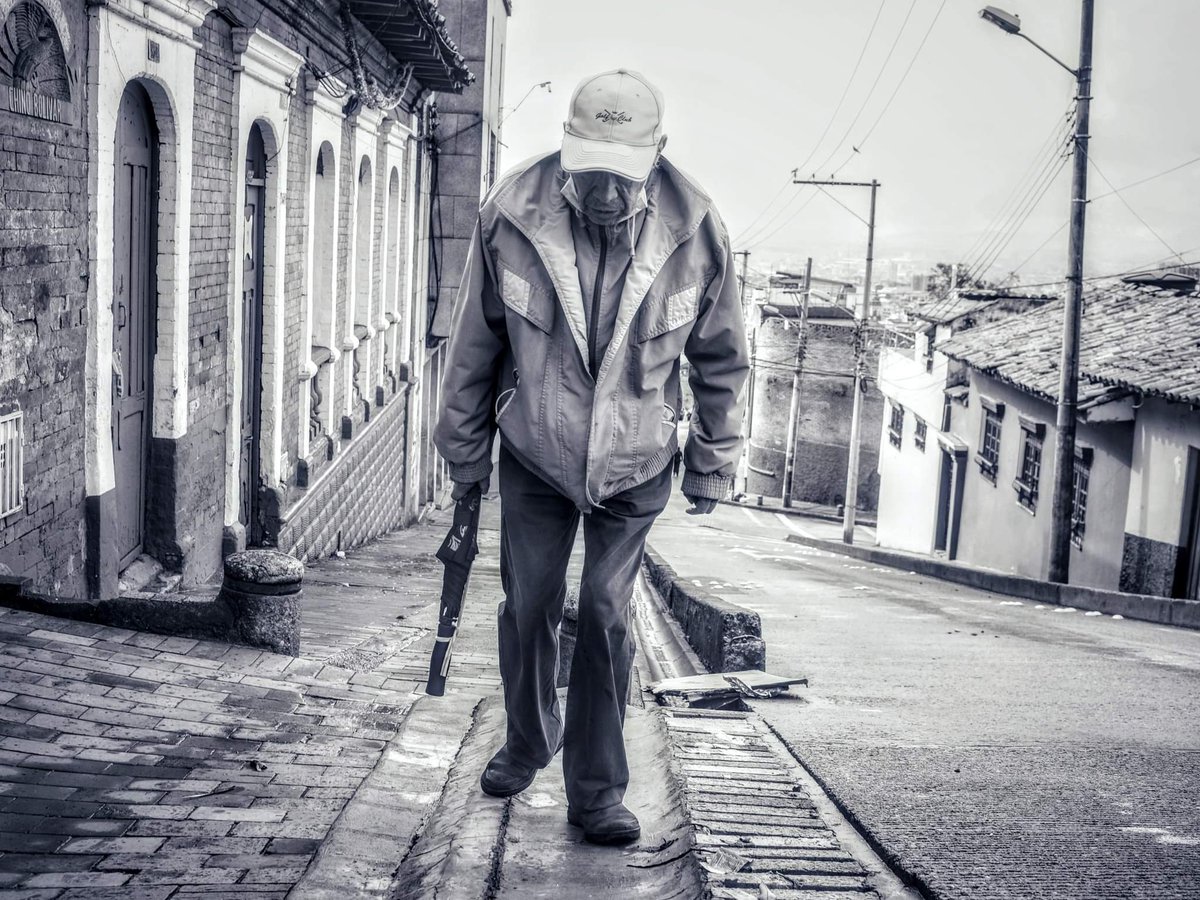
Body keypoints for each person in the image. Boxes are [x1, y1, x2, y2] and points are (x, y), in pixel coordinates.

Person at [433, 68, 749, 846]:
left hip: (636, 462)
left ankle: (598, 791)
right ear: (567, 148)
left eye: (621, 176)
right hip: (535, 453)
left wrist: (712, 460)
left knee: (606, 615)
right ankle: (527, 738)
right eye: (588, 172)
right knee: (529, 605)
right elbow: (475, 342)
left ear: (657, 153)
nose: (602, 193)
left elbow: (721, 358)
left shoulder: (697, 228)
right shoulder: (511, 211)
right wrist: (464, 448)